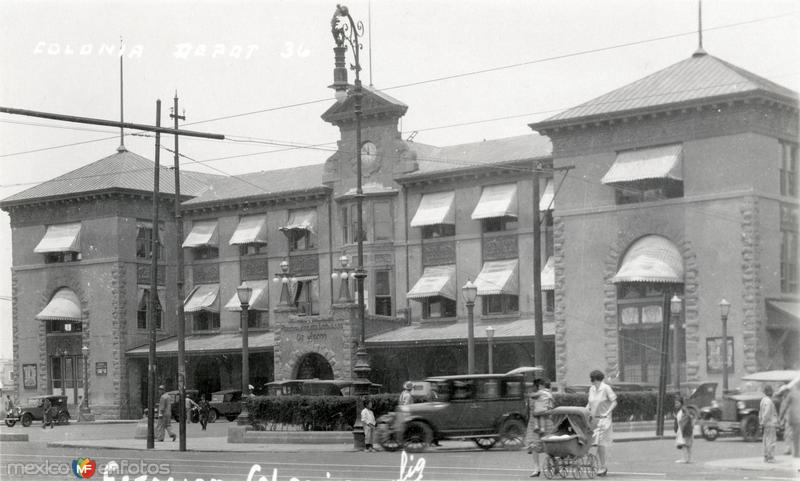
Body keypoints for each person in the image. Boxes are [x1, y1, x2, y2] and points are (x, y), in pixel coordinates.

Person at [586, 370, 617, 477]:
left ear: (600, 380)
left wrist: (608, 411)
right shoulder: (592, 389)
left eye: (596, 381)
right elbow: (589, 403)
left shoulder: (606, 388)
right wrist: (585, 412)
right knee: (592, 441)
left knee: (599, 442)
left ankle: (602, 466)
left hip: (604, 419)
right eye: (593, 381)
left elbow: (614, 401)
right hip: (593, 419)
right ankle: (596, 463)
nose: (595, 383)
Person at [526, 378, 555, 477]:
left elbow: (551, 409)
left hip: (546, 421)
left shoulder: (546, 395)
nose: (534, 387)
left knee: (550, 445)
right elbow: (530, 409)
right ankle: (536, 468)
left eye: (536, 386)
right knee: (534, 445)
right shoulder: (533, 397)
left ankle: (555, 464)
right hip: (534, 422)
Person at [673, 395, 695, 463]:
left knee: (684, 444)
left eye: (677, 403)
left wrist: (682, 424)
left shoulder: (683, 409)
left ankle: (685, 459)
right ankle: (688, 459)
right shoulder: (679, 410)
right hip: (683, 429)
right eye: (675, 403)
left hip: (684, 429)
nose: (676, 405)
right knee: (686, 445)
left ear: (681, 403)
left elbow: (687, 418)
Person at [760, 384, 778, 462]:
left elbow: (761, 412)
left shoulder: (763, 400)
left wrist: (762, 422)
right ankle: (770, 457)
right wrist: (764, 420)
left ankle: (766, 456)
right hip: (770, 423)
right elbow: (767, 413)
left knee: (766, 440)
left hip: (766, 423)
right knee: (771, 440)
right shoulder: (769, 401)